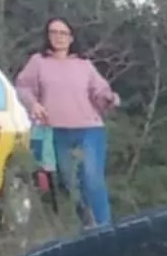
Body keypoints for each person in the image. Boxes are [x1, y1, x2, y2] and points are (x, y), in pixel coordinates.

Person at [14, 17, 117, 229]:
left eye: (63, 33)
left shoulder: (84, 65)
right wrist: (33, 105)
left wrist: (108, 98)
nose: (58, 37)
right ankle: (87, 225)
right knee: (70, 184)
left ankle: (105, 227)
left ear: (71, 38)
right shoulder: (38, 62)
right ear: (47, 36)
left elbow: (100, 91)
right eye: (54, 32)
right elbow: (22, 88)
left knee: (91, 178)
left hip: (88, 129)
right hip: (57, 131)